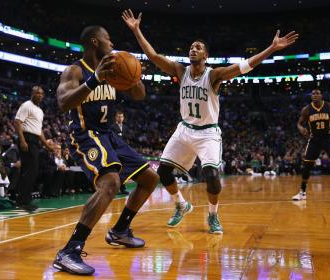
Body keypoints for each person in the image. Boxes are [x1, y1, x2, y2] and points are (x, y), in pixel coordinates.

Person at [122, 9, 298, 234]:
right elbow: (153, 56)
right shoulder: (180, 70)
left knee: (212, 177)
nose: (192, 49)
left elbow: (245, 66)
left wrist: (272, 48)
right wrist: (137, 30)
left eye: (198, 47)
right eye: (191, 47)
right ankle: (181, 205)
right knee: (163, 173)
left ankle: (213, 216)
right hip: (184, 130)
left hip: (207, 133)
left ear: (205, 56)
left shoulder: (214, 75)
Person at [53, 25, 159, 276]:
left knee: (149, 178)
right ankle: (70, 250)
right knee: (110, 183)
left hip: (109, 135)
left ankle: (120, 230)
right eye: (108, 40)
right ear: (94, 43)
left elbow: (140, 95)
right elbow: (63, 103)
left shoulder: (112, 70)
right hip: (85, 134)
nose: (112, 45)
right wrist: (95, 79)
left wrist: (132, 74)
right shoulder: (75, 70)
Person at [291, 89, 330, 203]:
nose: (315, 95)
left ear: (321, 96)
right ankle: (302, 192)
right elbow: (299, 123)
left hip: (328, 138)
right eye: (313, 94)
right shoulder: (306, 110)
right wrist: (301, 128)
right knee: (307, 166)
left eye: (317, 93)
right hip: (314, 139)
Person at [14, 86, 53, 211]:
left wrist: (47, 145)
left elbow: (39, 130)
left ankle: (23, 200)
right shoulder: (27, 105)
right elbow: (18, 122)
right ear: (32, 93)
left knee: (32, 171)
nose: (40, 95)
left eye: (42, 94)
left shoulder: (40, 111)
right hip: (27, 139)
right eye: (37, 93)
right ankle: (22, 202)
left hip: (34, 140)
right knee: (29, 171)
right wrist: (22, 140)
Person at [113, 110, 130, 195]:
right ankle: (117, 189)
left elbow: (128, 138)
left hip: (124, 151)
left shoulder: (126, 128)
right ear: (116, 117)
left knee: (123, 170)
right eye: (119, 116)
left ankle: (123, 188)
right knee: (116, 170)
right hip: (115, 151)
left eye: (121, 117)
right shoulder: (112, 127)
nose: (120, 118)